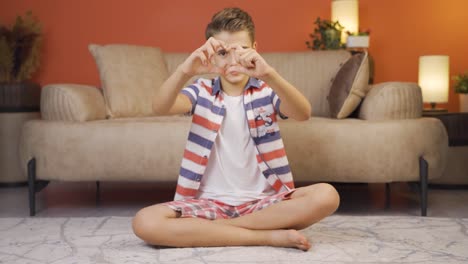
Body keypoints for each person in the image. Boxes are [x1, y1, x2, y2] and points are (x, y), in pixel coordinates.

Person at [132, 7, 340, 251]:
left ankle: (223, 231)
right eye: (222, 53)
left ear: (255, 49)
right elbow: (160, 107)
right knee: (144, 222)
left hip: (264, 205)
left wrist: (269, 74)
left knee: (327, 195)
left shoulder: (266, 90)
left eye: (241, 51)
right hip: (208, 204)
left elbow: (303, 113)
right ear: (210, 55)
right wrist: (185, 71)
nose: (232, 61)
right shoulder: (201, 90)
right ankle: (266, 236)